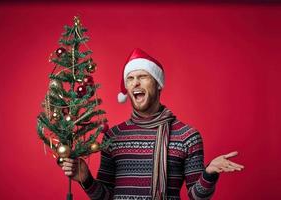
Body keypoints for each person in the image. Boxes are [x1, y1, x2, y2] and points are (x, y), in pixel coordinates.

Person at [59, 48, 244, 200]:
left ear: (158, 84)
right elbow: (105, 197)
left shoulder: (187, 136)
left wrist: (209, 173)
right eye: (130, 79)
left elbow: (197, 197)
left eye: (143, 77)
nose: (135, 83)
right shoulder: (113, 136)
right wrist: (86, 179)